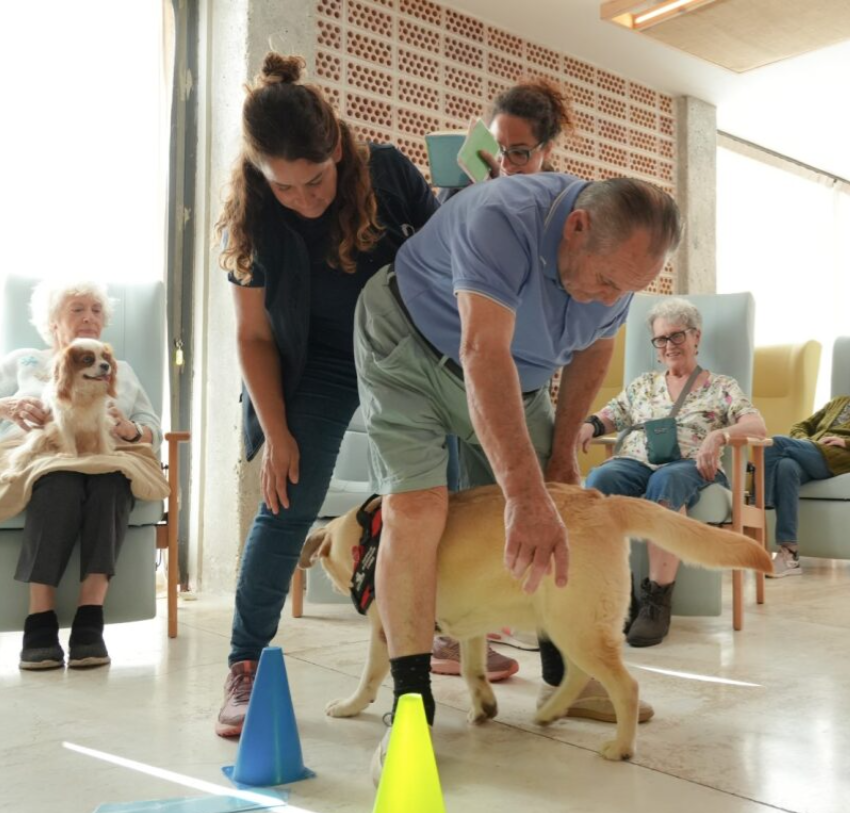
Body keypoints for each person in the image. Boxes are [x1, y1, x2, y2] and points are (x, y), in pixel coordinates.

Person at [353, 171, 682, 776]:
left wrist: (560, 458)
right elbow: (482, 353)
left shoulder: (617, 268)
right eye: (607, 281)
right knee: (417, 508)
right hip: (410, 345)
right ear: (576, 227)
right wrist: (525, 495)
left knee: (558, 503)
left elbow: (596, 349)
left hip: (517, 375)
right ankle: (410, 706)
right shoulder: (501, 218)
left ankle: (568, 677)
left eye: (627, 290)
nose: (611, 299)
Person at [212, 53, 440, 738]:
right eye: (284, 186)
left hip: (404, 351)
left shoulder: (389, 172)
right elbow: (253, 335)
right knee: (286, 499)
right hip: (320, 364)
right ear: (260, 173)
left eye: (315, 180)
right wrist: (278, 432)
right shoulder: (249, 217)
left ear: (337, 146)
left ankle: (447, 631)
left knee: (442, 491)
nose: (306, 199)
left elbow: (445, 261)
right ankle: (244, 663)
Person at [431, 75, 576, 682]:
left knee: (545, 495)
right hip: (460, 370)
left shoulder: (561, 210)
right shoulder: (464, 199)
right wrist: (464, 202)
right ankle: (455, 636)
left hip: (526, 378)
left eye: (520, 152)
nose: (508, 164)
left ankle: (565, 661)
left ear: (546, 151)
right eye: (498, 150)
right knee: (468, 507)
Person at [580, 297, 766, 647]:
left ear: (696, 337)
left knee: (664, 481)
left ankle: (657, 601)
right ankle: (621, 595)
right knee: (599, 481)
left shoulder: (720, 386)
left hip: (689, 465)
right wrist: (589, 425)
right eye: (661, 339)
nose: (669, 346)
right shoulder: (643, 385)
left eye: (677, 336)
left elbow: (756, 425)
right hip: (635, 461)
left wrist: (718, 435)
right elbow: (610, 415)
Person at [0, 280, 162, 670]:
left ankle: (90, 618)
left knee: (111, 482)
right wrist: (8, 406)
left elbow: (151, 426)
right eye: (77, 309)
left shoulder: (120, 369)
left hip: (107, 454)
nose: (89, 317)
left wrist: (131, 429)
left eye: (96, 310)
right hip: (41, 453)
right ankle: (40, 619)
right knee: (59, 483)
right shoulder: (24, 361)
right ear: (53, 322)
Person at [763, 397, 850, 577]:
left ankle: (760, 504)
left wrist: (846, 443)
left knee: (776, 442)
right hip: (813, 451)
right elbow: (800, 426)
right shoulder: (839, 402)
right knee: (786, 466)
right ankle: (789, 554)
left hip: (839, 458)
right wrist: (806, 441)